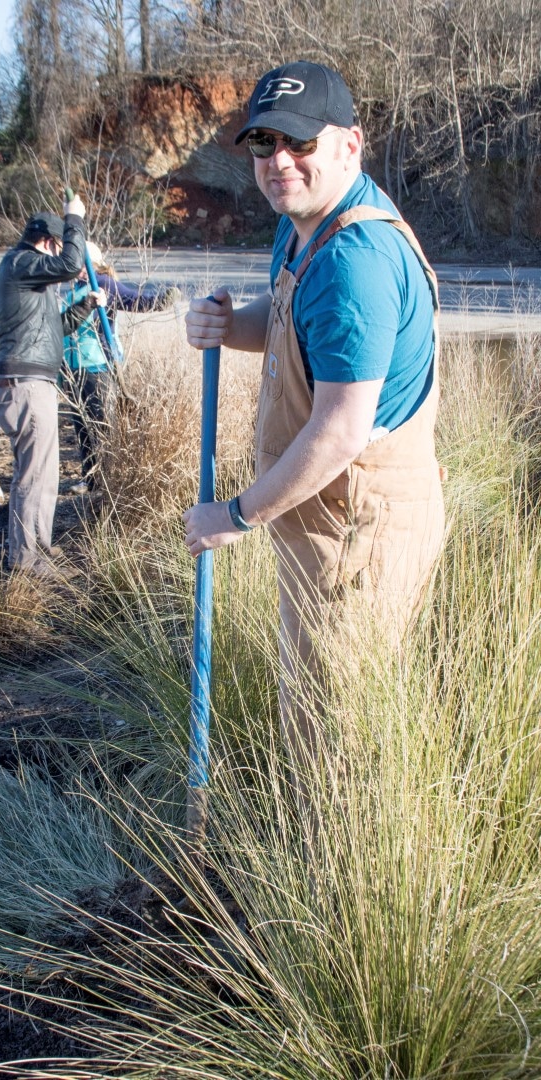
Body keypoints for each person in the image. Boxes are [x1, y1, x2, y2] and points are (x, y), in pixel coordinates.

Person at [183, 61, 445, 794]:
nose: (279, 162)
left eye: (299, 143)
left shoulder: (355, 262)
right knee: (313, 710)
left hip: (359, 532)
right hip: (322, 520)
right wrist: (232, 325)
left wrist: (235, 515)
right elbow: (294, 320)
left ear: (350, 146)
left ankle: (341, 893)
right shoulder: (304, 226)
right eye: (264, 145)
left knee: (336, 735)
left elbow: (339, 432)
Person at [0, 199, 106, 574]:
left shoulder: (30, 280)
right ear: (48, 242)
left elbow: (54, 329)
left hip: (33, 381)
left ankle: (39, 546)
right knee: (33, 474)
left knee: (47, 473)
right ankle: (25, 560)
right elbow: (71, 264)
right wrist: (75, 217)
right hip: (24, 384)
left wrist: (86, 305)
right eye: (60, 245)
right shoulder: (20, 262)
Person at [59, 241, 177, 496]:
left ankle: (107, 479)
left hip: (98, 364)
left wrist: (162, 300)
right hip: (74, 366)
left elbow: (135, 300)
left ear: (88, 262)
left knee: (101, 424)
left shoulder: (103, 282)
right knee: (82, 425)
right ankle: (91, 479)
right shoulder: (75, 286)